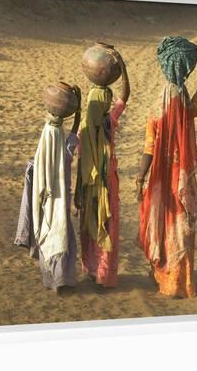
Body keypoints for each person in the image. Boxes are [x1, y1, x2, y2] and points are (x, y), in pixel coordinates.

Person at [135, 36, 197, 299]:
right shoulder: (186, 103)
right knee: (182, 227)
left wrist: (141, 177)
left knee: (163, 224)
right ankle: (182, 282)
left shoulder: (158, 106)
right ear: (186, 69)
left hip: (160, 179)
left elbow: (148, 147)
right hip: (182, 178)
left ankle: (164, 278)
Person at [14, 85, 81, 294]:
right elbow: (72, 141)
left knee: (49, 232)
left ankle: (52, 278)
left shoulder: (48, 134)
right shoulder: (60, 138)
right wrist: (78, 112)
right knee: (61, 235)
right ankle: (61, 280)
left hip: (48, 196)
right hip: (60, 196)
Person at [75, 49, 130, 290]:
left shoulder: (83, 131)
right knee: (107, 225)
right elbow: (125, 96)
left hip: (88, 186)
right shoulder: (110, 122)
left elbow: (79, 164)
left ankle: (90, 269)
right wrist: (124, 69)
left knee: (90, 226)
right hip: (108, 183)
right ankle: (104, 275)